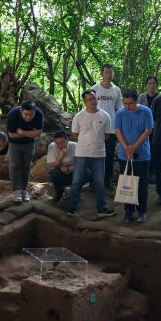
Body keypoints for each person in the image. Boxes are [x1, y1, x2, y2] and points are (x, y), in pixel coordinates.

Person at [69, 90, 117, 219]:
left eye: (94, 98)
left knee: (99, 183)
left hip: (99, 153)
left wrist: (96, 142)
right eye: (89, 99)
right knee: (76, 181)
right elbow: (75, 134)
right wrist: (85, 143)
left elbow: (107, 135)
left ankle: (102, 208)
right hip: (81, 153)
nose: (93, 101)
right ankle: (72, 208)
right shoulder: (79, 116)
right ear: (85, 101)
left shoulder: (105, 115)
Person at [114, 89, 154, 224]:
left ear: (136, 101)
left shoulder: (146, 111)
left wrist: (133, 147)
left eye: (130, 103)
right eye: (125, 103)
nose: (127, 106)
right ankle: (129, 211)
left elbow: (148, 131)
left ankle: (142, 211)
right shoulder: (120, 113)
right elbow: (117, 131)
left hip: (142, 154)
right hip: (124, 155)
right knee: (127, 183)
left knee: (142, 184)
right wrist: (127, 148)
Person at [91, 64, 122, 190]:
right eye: (106, 72)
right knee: (94, 155)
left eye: (111, 72)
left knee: (109, 156)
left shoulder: (116, 90)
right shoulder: (95, 88)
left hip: (111, 128)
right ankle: (93, 183)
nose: (109, 75)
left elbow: (118, 109)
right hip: (96, 128)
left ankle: (107, 182)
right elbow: (89, 108)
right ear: (102, 74)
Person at [6, 101, 44, 202]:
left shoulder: (39, 114)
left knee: (26, 165)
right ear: (21, 110)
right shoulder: (13, 114)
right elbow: (12, 134)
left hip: (29, 144)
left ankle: (24, 189)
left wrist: (21, 132)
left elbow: (38, 133)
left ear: (35, 111)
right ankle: (16, 191)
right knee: (15, 166)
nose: (28, 117)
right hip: (14, 143)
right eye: (26, 114)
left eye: (31, 115)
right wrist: (30, 133)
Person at [46, 130, 77, 202]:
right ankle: (59, 192)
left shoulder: (75, 146)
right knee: (53, 173)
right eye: (57, 143)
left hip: (74, 172)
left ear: (67, 140)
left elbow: (81, 163)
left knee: (86, 172)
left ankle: (76, 193)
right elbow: (52, 165)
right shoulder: (52, 146)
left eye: (62, 142)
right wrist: (61, 156)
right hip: (60, 172)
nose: (60, 146)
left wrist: (68, 168)